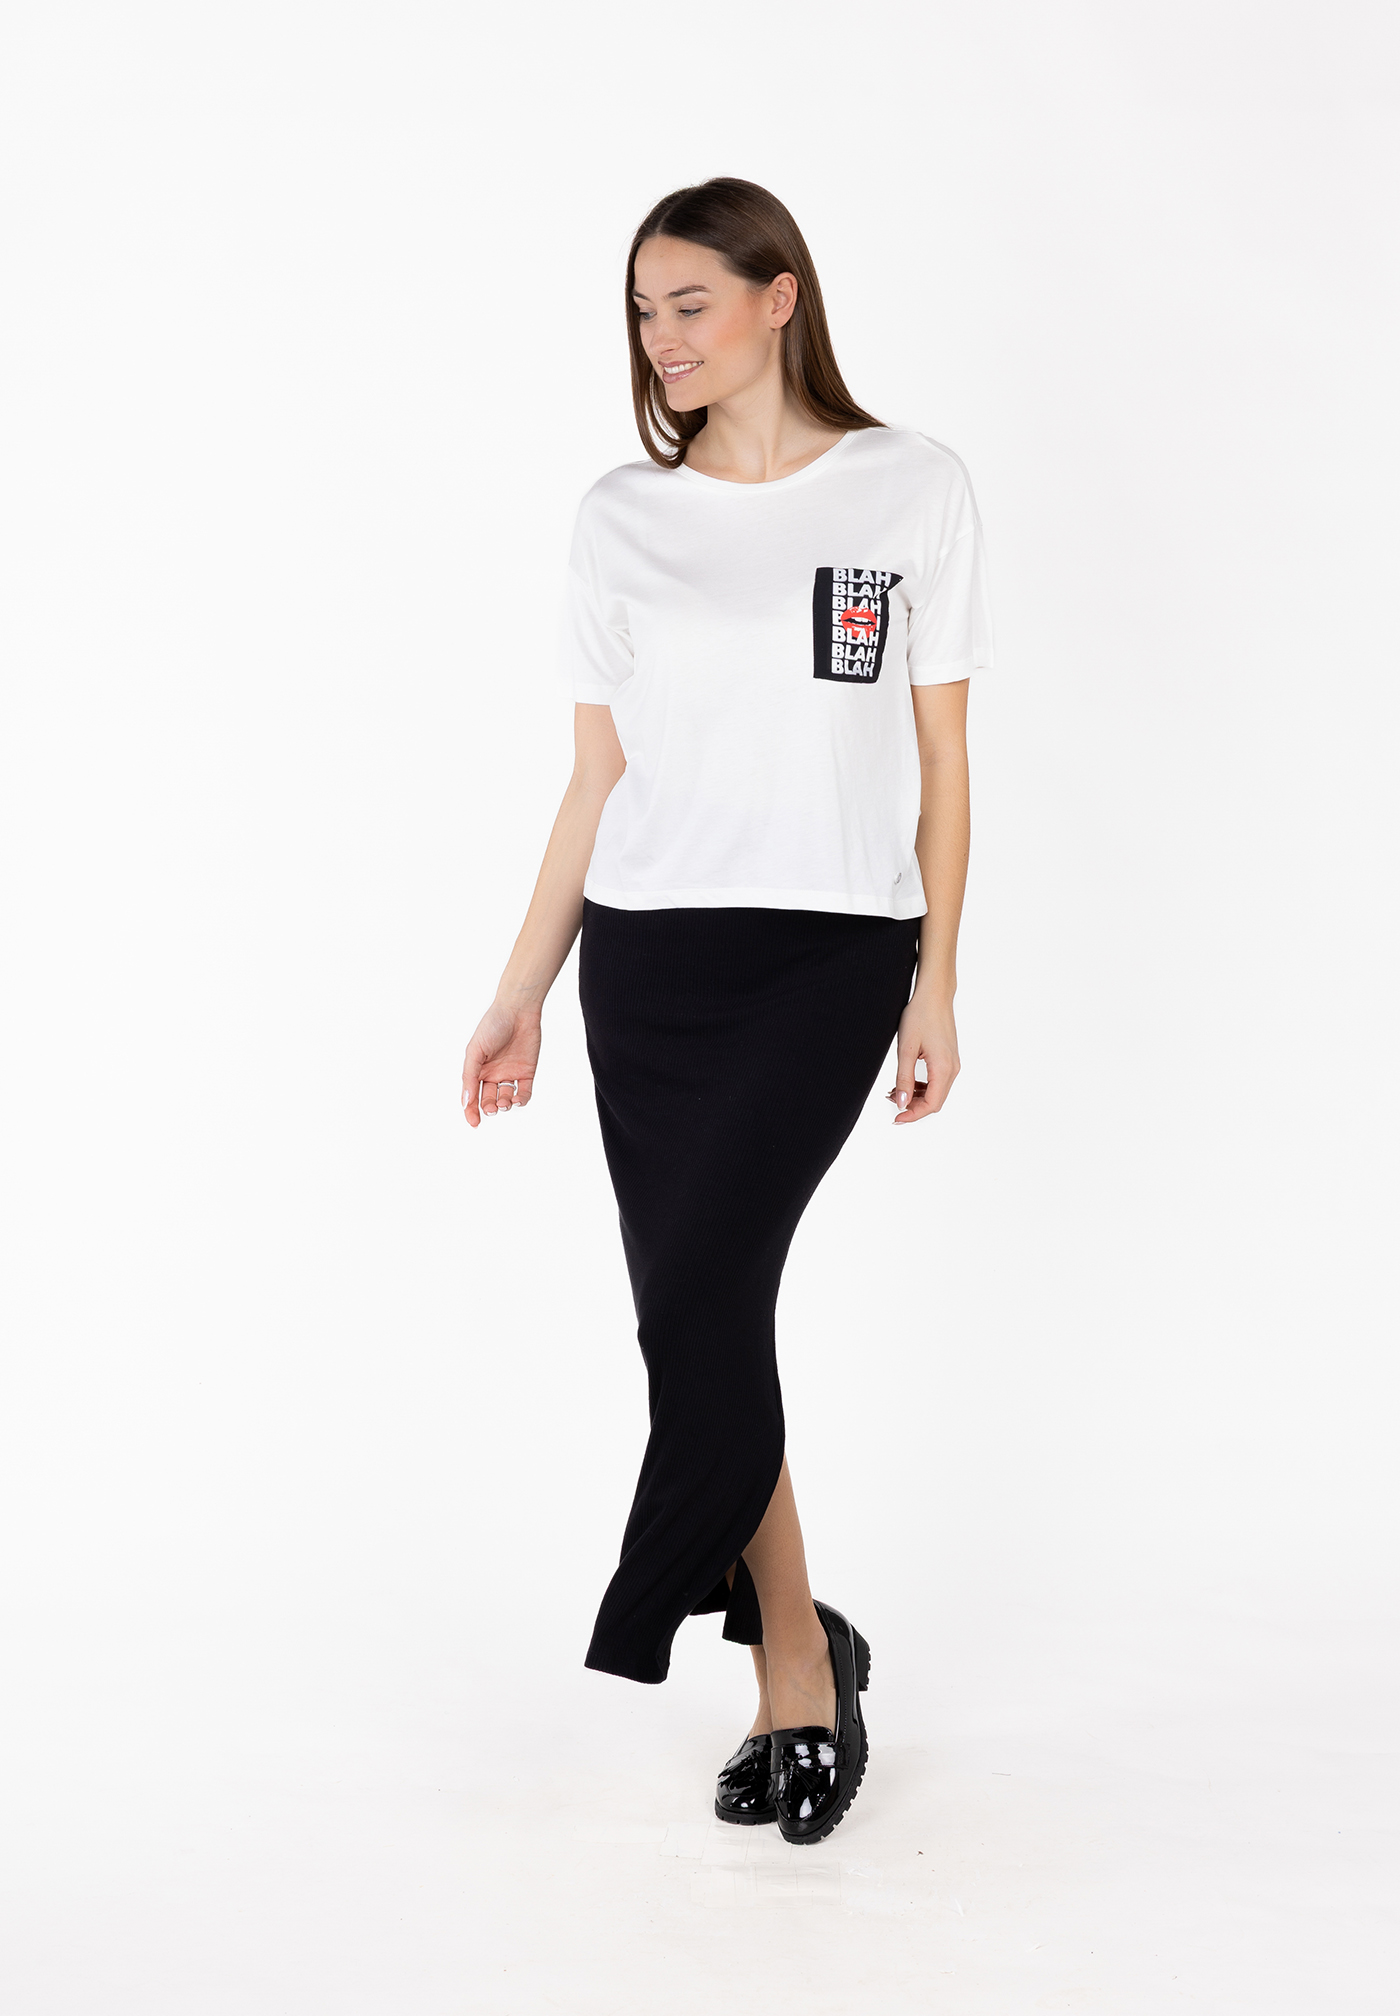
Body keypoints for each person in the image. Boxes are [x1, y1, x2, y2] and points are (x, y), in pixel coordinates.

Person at [461, 177, 993, 1845]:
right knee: (700, 1322)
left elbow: (944, 759)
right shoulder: (622, 516)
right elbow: (594, 781)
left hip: (831, 958)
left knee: (703, 1307)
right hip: (651, 964)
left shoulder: (912, 488)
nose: (661, 339)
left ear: (779, 298)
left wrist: (939, 976)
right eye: (642, 312)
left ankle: (785, 1655)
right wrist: (522, 989)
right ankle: (801, 1659)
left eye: (690, 303)